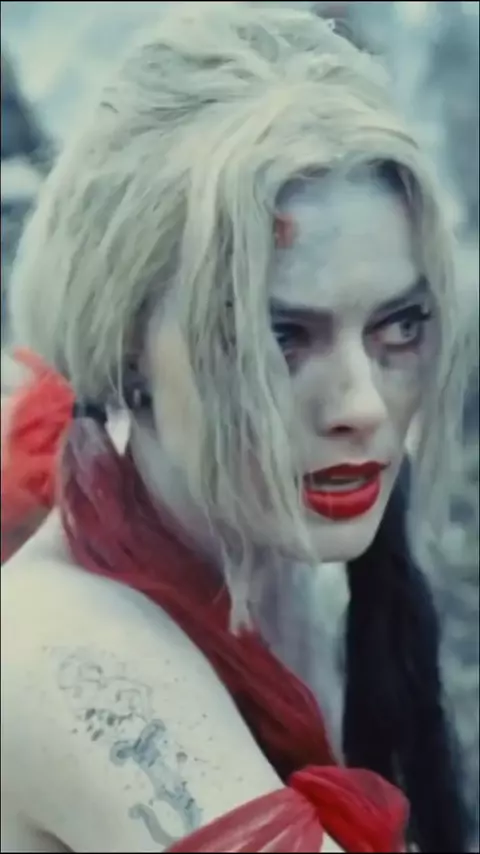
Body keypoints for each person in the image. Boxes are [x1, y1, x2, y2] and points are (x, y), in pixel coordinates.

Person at [0, 3, 472, 851]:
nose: (362, 404)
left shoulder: (260, 545)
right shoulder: (77, 661)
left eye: (399, 327)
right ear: (127, 345)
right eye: (278, 339)